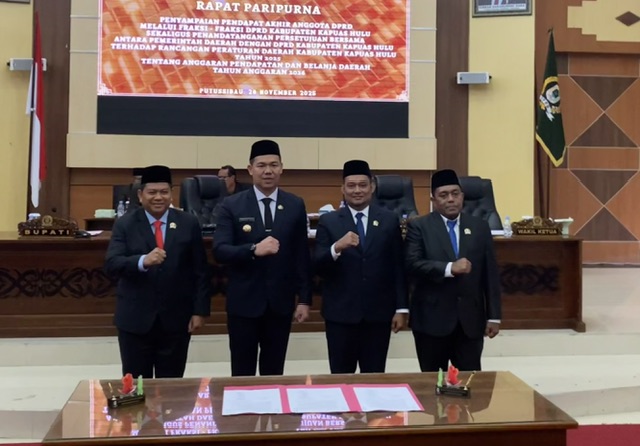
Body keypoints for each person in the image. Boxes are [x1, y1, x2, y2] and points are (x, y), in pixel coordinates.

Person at [213, 140, 312, 376]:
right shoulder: (231, 205)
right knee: (242, 372)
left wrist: (304, 299)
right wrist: (252, 250)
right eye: (261, 165)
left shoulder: (295, 204)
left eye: (273, 165)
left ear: (281, 168)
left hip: (280, 303)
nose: (268, 171)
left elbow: (302, 255)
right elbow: (220, 250)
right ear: (250, 169)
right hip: (244, 303)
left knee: (274, 371)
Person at [105, 165, 211, 378]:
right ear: (140, 195)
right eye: (152, 192)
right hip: (135, 321)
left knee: (171, 386)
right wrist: (143, 261)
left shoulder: (188, 223)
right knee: (137, 386)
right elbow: (112, 264)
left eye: (164, 192)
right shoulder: (125, 224)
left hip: (176, 320)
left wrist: (199, 311)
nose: (158, 197)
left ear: (171, 193)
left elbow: (200, 270)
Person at [314, 160, 408, 374]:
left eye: (363, 185)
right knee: (341, 377)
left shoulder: (388, 220)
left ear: (372, 187)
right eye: (351, 185)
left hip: (378, 315)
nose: (357, 190)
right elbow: (318, 265)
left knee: (374, 377)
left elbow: (398, 266)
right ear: (343, 188)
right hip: (340, 315)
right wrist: (336, 248)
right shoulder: (329, 221)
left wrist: (401, 308)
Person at [404, 169, 501, 372]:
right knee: (432, 380)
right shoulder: (419, 227)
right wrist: (449, 268)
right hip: (431, 320)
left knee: (468, 380)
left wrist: (494, 316)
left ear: (462, 196)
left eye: (455, 194)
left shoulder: (480, 227)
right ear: (433, 199)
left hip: (470, 321)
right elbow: (412, 264)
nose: (450, 199)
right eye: (443, 195)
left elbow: (490, 273)